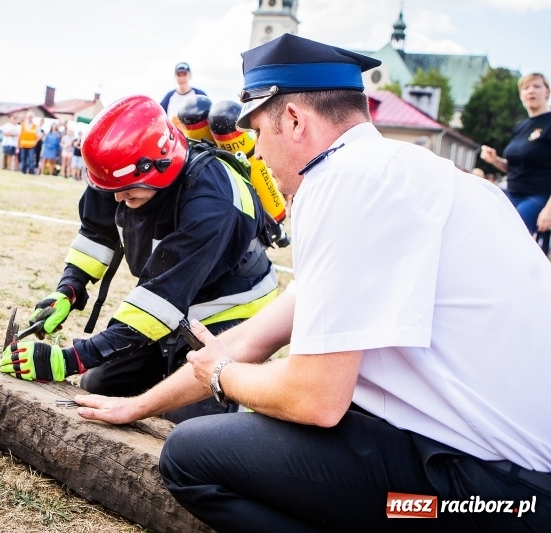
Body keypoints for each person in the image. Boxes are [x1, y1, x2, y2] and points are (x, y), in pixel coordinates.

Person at [66, 34, 551, 532]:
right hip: (513, 480)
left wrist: (222, 376)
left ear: (294, 120)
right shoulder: (408, 173)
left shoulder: (340, 180)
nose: (255, 152)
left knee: (191, 458)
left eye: (256, 132)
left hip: (494, 498)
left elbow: (314, 400)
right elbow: (253, 336)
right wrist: (139, 405)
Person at [0, 95, 278, 423]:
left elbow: (159, 302)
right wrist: (69, 288)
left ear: (157, 167)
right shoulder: (117, 171)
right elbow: (96, 233)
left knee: (188, 423)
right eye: (110, 189)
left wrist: (70, 358)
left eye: (126, 190)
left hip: (227, 310)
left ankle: (238, 389)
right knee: (97, 384)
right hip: (171, 301)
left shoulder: (212, 201)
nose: (116, 198)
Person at [481, 72, 551, 255]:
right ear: (521, 95)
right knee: (488, 229)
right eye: (526, 88)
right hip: (512, 192)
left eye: (536, 86)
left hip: (538, 196)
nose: (531, 91)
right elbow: (514, 167)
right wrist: (494, 160)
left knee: (509, 237)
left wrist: (549, 210)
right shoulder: (521, 126)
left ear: (547, 92)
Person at [159, 62, 207, 127]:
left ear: (190, 75)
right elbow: (160, 116)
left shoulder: (199, 95)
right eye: (179, 75)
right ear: (175, 76)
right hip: (174, 135)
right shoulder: (168, 97)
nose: (181, 78)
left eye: (184, 74)